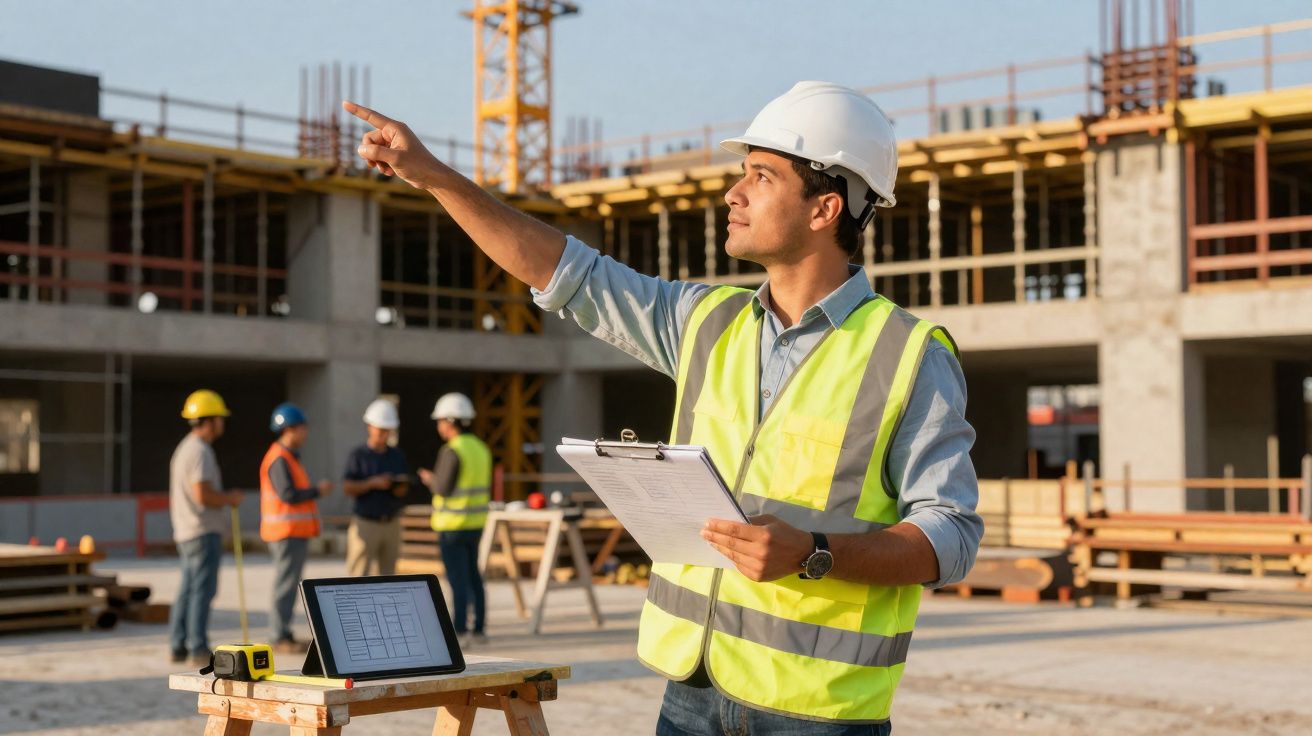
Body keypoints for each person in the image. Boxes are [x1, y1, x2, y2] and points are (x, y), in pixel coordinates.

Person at [345, 80, 982, 734]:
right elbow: (564, 272)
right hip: (690, 694)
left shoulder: (908, 353)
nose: (733, 194)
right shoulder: (707, 322)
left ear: (825, 208)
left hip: (818, 713)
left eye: (761, 176)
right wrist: (435, 178)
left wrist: (814, 553)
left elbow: (952, 534)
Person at [168, 389, 242, 666]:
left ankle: (178, 645)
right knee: (202, 590)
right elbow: (202, 494)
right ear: (209, 421)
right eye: (220, 418)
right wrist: (229, 499)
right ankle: (197, 646)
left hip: (187, 530)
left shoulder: (186, 448)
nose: (223, 423)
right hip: (201, 530)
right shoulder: (200, 451)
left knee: (188, 589)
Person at [418, 392, 491, 648]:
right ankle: (479, 629)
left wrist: (430, 480)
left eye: (440, 421)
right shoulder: (481, 448)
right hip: (476, 523)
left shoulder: (452, 450)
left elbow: (444, 487)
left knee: (458, 580)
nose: (439, 427)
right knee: (474, 577)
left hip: (452, 527)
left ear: (450, 422)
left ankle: (459, 630)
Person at [259, 402, 333, 653]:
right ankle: (278, 635)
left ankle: (283, 632)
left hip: (292, 533)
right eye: (302, 428)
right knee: (285, 585)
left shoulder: (288, 458)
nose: (306, 433)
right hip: (285, 533)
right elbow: (288, 494)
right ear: (289, 429)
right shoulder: (279, 459)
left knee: (289, 584)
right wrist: (317, 491)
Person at [342, 398, 410, 576]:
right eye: (380, 430)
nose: (383, 435)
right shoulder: (359, 455)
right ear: (370, 427)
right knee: (359, 575)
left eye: (387, 431)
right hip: (366, 523)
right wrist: (372, 483)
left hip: (391, 522)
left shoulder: (396, 455)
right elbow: (347, 487)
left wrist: (396, 485)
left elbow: (403, 490)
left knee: (388, 578)